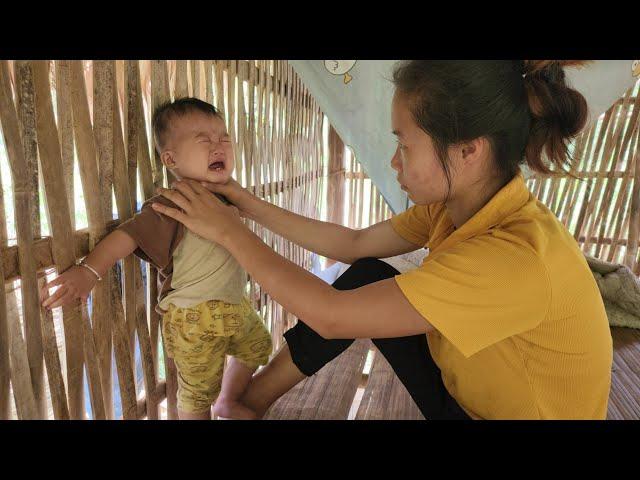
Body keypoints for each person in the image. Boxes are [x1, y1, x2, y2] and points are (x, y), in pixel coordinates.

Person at [151, 60, 613, 420]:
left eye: (405, 145)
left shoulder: (510, 258)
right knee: (368, 272)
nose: (394, 162)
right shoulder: (456, 209)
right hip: (472, 391)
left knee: (345, 302)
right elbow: (351, 243)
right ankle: (247, 405)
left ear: (467, 151)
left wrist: (229, 231)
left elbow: (331, 318)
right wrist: (242, 202)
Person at [42, 98, 273, 420]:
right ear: (171, 158)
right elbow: (129, 234)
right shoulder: (176, 202)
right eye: (204, 140)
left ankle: (229, 402)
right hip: (195, 315)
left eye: (224, 139)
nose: (218, 146)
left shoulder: (227, 197)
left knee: (259, 345)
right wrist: (89, 271)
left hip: (235, 304)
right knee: (196, 394)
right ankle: (214, 405)